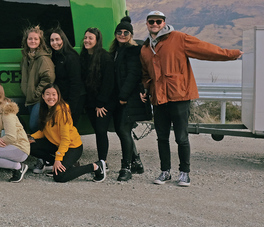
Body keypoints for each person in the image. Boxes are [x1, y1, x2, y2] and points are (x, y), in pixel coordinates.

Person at [140, 10, 243, 187]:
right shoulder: (145, 48)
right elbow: (145, 74)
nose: (155, 24)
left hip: (179, 96)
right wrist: (146, 88)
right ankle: (165, 172)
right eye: (151, 21)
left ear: (164, 23)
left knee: (181, 137)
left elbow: (205, 49)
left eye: (158, 21)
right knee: (162, 137)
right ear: (147, 24)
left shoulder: (179, 38)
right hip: (158, 98)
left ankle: (184, 173)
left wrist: (232, 54)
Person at [29, 84, 107, 183]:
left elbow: (66, 139)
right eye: (48, 94)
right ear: (43, 96)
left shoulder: (62, 111)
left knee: (59, 177)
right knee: (29, 146)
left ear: (58, 96)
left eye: (54, 94)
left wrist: (58, 158)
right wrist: (30, 138)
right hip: (58, 144)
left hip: (72, 146)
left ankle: (95, 166)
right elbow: (44, 131)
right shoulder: (45, 109)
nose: (51, 97)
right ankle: (61, 165)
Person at [109, 16, 148, 181]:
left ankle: (126, 168)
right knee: (121, 130)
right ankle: (136, 162)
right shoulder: (116, 50)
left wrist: (124, 96)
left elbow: (133, 75)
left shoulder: (133, 50)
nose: (122, 34)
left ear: (131, 34)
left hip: (128, 98)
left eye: (126, 32)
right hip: (119, 98)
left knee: (124, 131)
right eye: (120, 32)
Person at [79, 27, 115, 165]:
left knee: (100, 130)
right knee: (97, 129)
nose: (87, 40)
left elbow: (108, 82)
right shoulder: (83, 57)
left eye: (90, 38)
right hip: (90, 102)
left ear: (97, 40)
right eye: (86, 37)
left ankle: (102, 161)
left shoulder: (105, 57)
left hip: (103, 103)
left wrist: (101, 103)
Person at [20, 25, 55, 132]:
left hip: (39, 99)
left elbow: (48, 78)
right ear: (26, 40)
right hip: (30, 98)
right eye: (30, 38)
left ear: (40, 41)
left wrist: (37, 93)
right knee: (36, 127)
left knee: (34, 126)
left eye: (36, 39)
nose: (33, 41)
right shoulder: (27, 57)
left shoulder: (43, 58)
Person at [48, 27, 84, 124]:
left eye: (57, 39)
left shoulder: (71, 57)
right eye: (52, 40)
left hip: (73, 100)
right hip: (62, 99)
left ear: (63, 39)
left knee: (69, 131)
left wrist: (70, 107)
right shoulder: (56, 56)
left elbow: (76, 83)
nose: (54, 43)